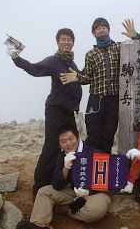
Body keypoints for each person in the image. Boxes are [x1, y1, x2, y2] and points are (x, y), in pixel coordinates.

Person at [6, 29, 83, 197]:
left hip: (68, 111)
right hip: (56, 109)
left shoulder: (72, 63)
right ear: (57, 42)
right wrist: (16, 58)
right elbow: (34, 69)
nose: (66, 42)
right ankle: (40, 187)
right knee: (52, 147)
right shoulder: (54, 61)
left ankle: (62, 181)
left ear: (73, 42)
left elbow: (81, 77)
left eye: (69, 40)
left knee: (71, 145)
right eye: (63, 39)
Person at [60, 18, 140, 154]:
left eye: (104, 26)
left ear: (109, 30)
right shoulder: (91, 54)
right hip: (96, 100)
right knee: (93, 137)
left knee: (108, 138)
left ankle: (103, 169)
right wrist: (77, 78)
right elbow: (88, 77)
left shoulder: (119, 47)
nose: (101, 29)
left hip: (114, 100)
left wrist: (135, 36)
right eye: (98, 28)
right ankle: (89, 168)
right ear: (94, 33)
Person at [16, 124, 111, 229]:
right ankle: (39, 224)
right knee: (44, 192)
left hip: (96, 192)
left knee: (95, 212)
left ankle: (67, 210)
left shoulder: (95, 153)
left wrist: (89, 192)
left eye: (71, 139)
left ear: (78, 138)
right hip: (73, 191)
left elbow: (109, 182)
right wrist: (66, 167)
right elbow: (57, 185)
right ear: (59, 145)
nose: (68, 144)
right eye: (63, 141)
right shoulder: (62, 156)